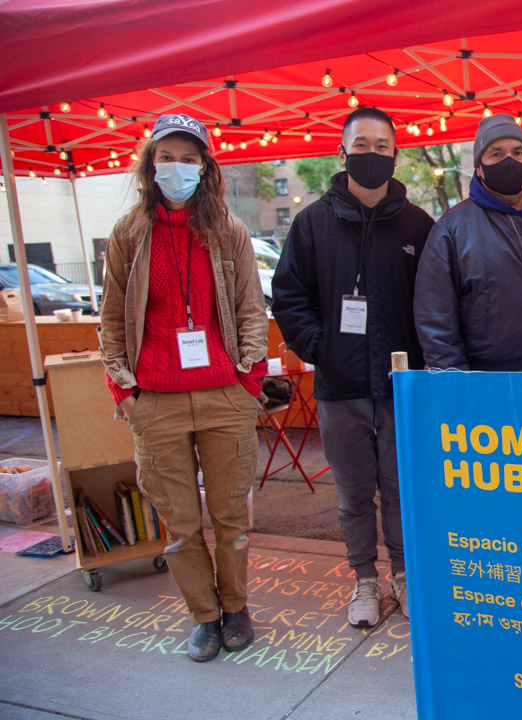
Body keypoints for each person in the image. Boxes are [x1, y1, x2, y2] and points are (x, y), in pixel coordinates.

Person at [100, 113, 268, 662]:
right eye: (166, 157)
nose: (177, 167)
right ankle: (204, 615)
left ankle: (236, 606)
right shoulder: (129, 232)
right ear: (151, 164)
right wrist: (124, 389)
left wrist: (248, 378)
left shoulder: (228, 229)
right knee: (179, 523)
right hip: (156, 397)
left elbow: (250, 309)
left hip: (225, 394)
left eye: (189, 158)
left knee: (230, 517)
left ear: (206, 166)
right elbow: (109, 318)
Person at [272, 106, 433, 628]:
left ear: (395, 154)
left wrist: (424, 363)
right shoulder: (312, 223)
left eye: (381, 146)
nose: (371, 154)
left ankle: (405, 577)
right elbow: (289, 297)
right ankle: (365, 579)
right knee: (354, 495)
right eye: (360, 145)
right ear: (342, 153)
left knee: (401, 490)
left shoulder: (418, 225)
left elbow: (437, 301)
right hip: (341, 387)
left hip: (401, 388)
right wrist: (323, 347)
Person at [414, 113, 522, 371]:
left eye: (518, 152)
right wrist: (456, 385)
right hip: (490, 386)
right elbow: (435, 320)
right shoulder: (451, 230)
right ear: (479, 166)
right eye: (496, 153)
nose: (510, 159)